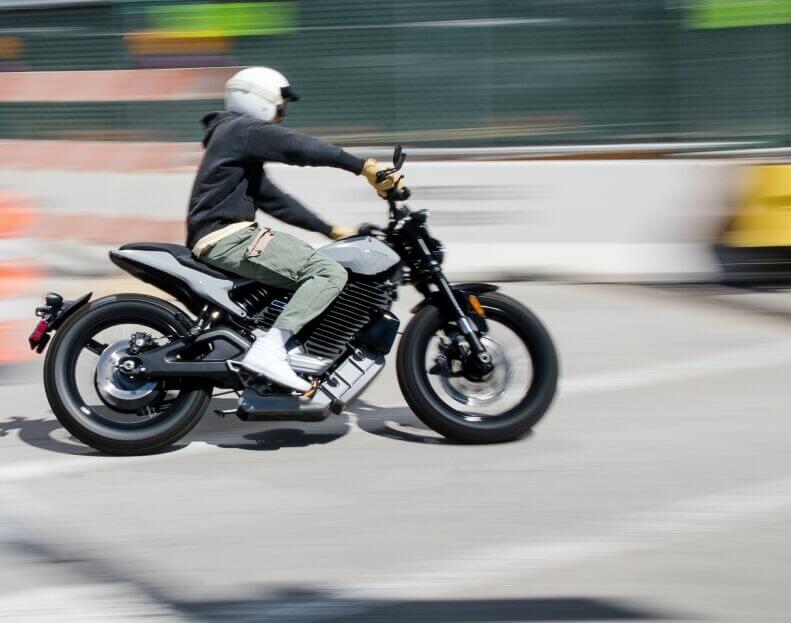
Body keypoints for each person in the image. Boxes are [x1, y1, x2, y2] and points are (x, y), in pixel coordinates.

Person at [187, 66, 402, 392]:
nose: (282, 115)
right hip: (230, 237)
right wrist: (364, 167)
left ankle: (285, 346)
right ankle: (270, 350)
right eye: (280, 107)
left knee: (315, 266)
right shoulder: (242, 129)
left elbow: (273, 200)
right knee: (327, 273)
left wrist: (329, 229)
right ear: (258, 100)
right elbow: (298, 147)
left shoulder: (232, 137)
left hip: (223, 236)